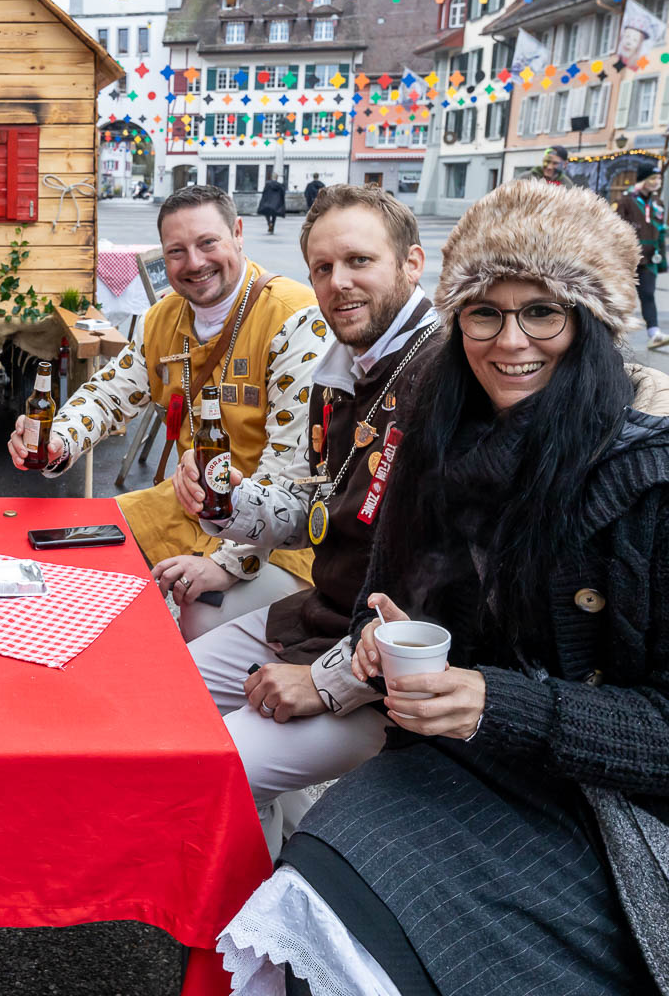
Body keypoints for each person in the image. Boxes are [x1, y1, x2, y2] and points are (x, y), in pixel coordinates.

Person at [218, 179, 669, 995]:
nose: (509, 340)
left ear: (590, 323)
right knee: (305, 900)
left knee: (369, 939)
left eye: (543, 312)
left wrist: (499, 704)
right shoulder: (439, 451)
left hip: (632, 817)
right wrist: (378, 644)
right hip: (473, 766)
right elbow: (384, 608)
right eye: (484, 312)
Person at [177, 184, 438, 851]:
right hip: (320, 618)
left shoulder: (447, 378)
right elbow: (307, 510)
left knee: (207, 768)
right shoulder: (340, 370)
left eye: (358, 261)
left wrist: (327, 683)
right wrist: (230, 505)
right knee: (165, 702)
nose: (337, 283)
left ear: (413, 264)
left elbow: (447, 588)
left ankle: (264, 937)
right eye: (322, 268)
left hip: (393, 675)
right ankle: (288, 866)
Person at [6, 184, 331, 640]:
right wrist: (59, 438)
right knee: (77, 560)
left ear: (238, 233)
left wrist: (228, 565)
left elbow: (291, 471)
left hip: (276, 533)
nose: (194, 263)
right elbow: (108, 394)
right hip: (184, 507)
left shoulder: (296, 317)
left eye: (207, 243)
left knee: (201, 613)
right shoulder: (163, 318)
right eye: (177, 251)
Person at [616, 162, 669, 350]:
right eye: (653, 178)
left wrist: (663, 261)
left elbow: (661, 233)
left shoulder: (658, 203)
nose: (657, 182)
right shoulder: (626, 200)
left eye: (659, 178)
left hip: (651, 258)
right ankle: (613, 334)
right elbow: (615, 230)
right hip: (628, 258)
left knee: (648, 294)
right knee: (621, 297)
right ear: (643, 180)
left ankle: (654, 334)